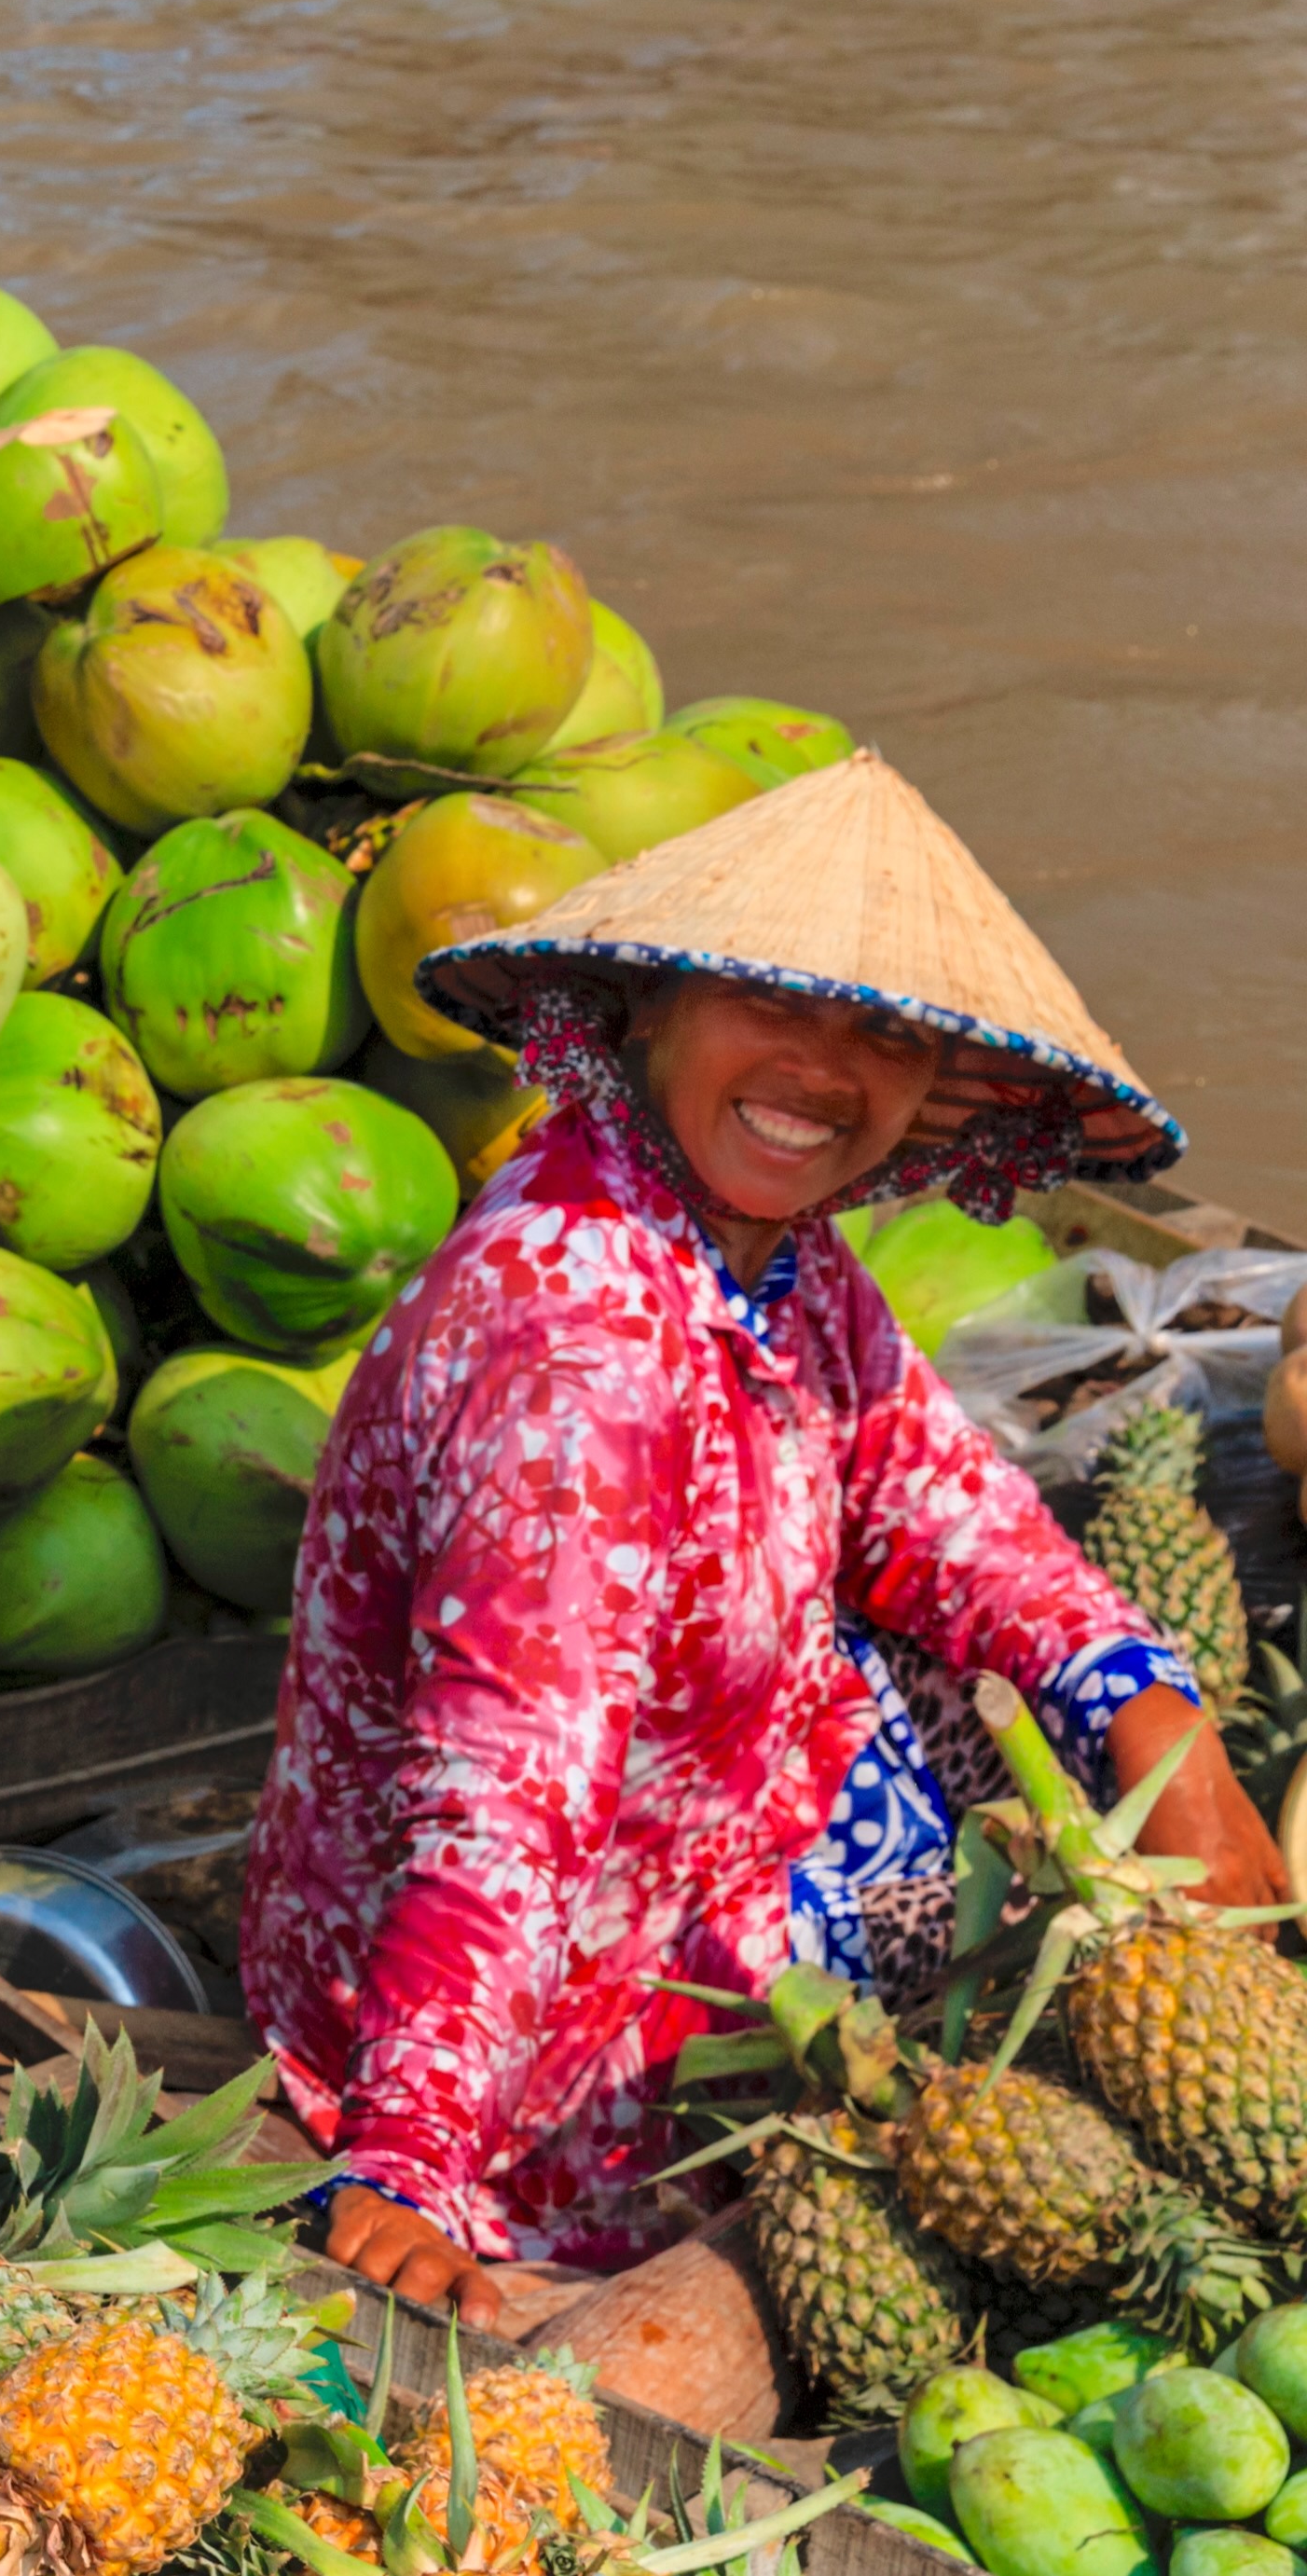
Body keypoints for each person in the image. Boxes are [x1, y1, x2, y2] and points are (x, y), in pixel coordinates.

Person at [248, 752, 1283, 2329]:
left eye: (887, 1034)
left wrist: (1163, 1733)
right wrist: (409, 2159)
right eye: (772, 1004)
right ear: (652, 1007)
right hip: (517, 2011)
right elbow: (507, 1797)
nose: (824, 1071)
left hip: (704, 1823)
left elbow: (948, 1510)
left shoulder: (769, 1255)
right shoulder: (572, 1352)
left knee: (1029, 1686)